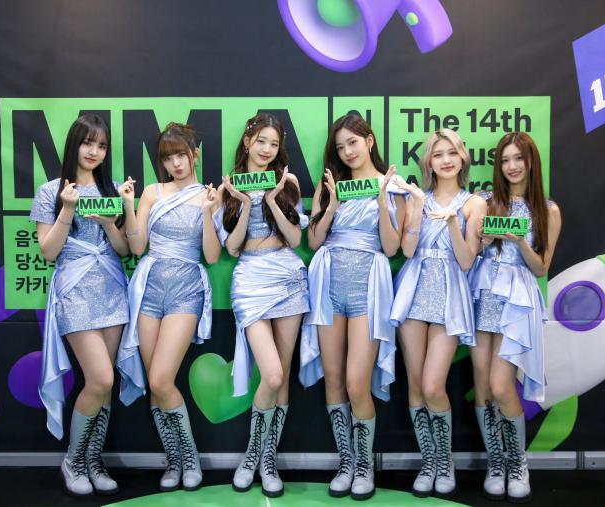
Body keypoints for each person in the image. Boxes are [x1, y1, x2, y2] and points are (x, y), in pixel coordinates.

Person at [299, 113, 406, 500]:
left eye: (353, 143)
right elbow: (313, 241)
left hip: (368, 288)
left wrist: (382, 203)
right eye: (340, 146)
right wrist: (331, 204)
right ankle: (347, 463)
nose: (347, 151)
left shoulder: (392, 185)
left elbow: (392, 248)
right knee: (334, 379)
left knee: (358, 382)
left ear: (370, 141)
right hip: (328, 283)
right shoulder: (330, 184)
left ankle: (364, 467)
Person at [115, 123, 221, 492]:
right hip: (149, 286)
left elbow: (211, 256)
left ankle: (190, 458)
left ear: (195, 154)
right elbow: (136, 246)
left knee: (161, 379)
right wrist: (129, 206)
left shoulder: (209, 195)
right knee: (155, 384)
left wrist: (207, 212)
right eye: (168, 158)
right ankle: (174, 460)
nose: (176, 163)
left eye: (181, 155)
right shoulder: (151, 192)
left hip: (187, 288)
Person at [33, 114, 129, 497]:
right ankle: (73, 461)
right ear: (74, 144)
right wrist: (68, 209)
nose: (94, 151)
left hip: (112, 288)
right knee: (100, 378)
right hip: (74, 288)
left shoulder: (111, 189)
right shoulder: (50, 191)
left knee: (105, 384)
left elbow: (123, 249)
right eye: (88, 143)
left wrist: (109, 221)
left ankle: (94, 460)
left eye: (101, 145)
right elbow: (48, 252)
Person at [216, 113, 309, 498]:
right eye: (261, 141)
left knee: (281, 378)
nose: (267, 149)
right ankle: (253, 455)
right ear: (247, 142)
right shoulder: (230, 186)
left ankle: (266, 460)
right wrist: (242, 203)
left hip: (288, 279)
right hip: (250, 281)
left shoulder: (287, 182)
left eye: (274, 143)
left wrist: (272, 199)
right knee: (270, 376)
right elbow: (232, 247)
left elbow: (295, 238)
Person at [390, 129, 486, 498]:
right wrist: (417, 206)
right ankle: (428, 462)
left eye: (452, 153)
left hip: (449, 295)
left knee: (433, 385)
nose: (446, 160)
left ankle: (445, 462)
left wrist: (451, 223)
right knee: (416, 387)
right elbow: (407, 250)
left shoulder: (474, 204)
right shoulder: (418, 196)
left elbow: (466, 260)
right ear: (428, 162)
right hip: (413, 291)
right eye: (437, 154)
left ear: (462, 158)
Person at [468, 132, 561, 503]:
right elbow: (471, 255)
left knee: (502, 385)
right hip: (484, 292)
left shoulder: (548, 210)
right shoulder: (487, 201)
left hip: (518, 298)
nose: (512, 166)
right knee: (483, 385)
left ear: (531, 161)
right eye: (505, 160)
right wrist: (483, 241)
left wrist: (520, 240)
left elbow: (541, 268)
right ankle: (496, 464)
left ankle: (518, 464)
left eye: (518, 158)